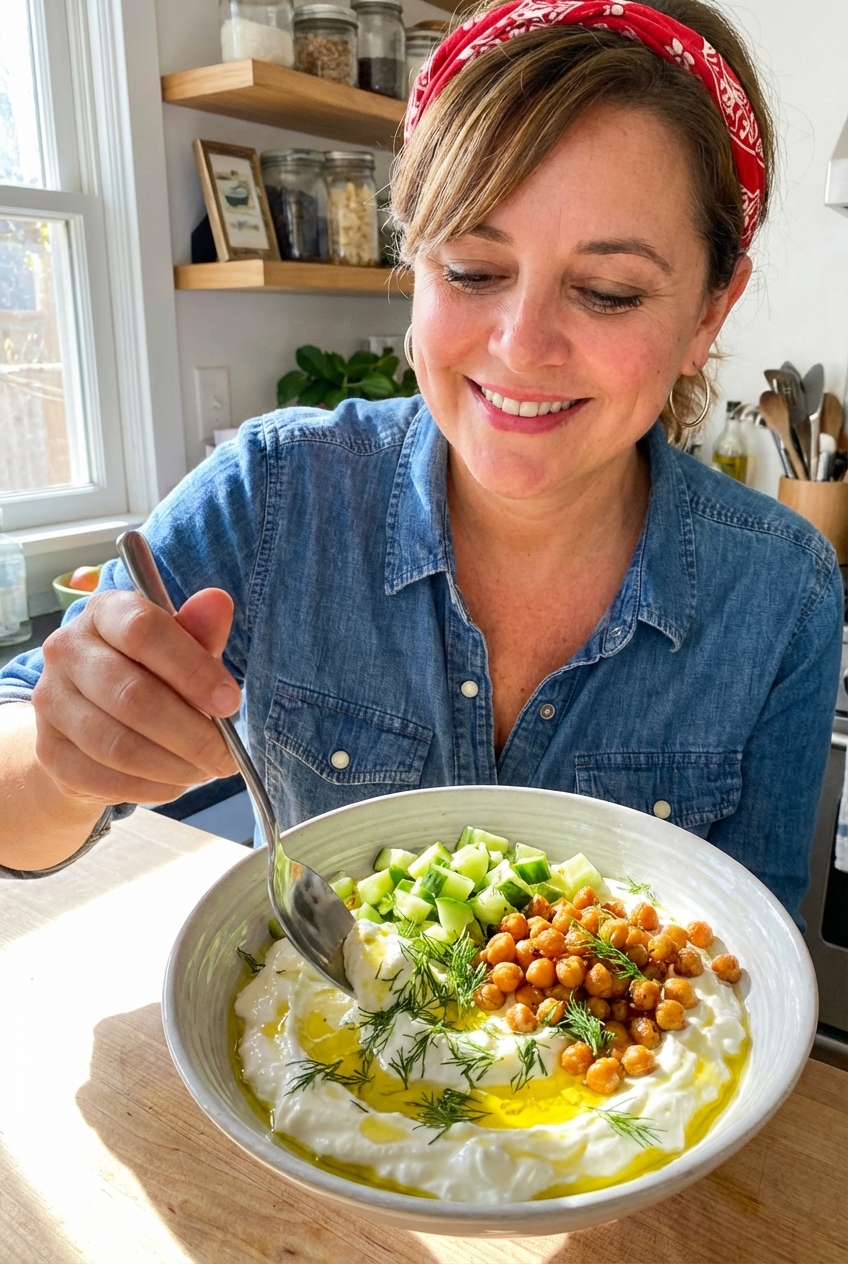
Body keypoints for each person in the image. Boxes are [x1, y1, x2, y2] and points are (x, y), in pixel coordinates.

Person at [0, 0, 841, 924]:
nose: (521, 348)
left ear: (710, 313)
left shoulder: (781, 592)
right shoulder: (276, 495)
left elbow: (761, 964)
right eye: (473, 271)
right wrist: (64, 761)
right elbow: (18, 785)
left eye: (608, 292)